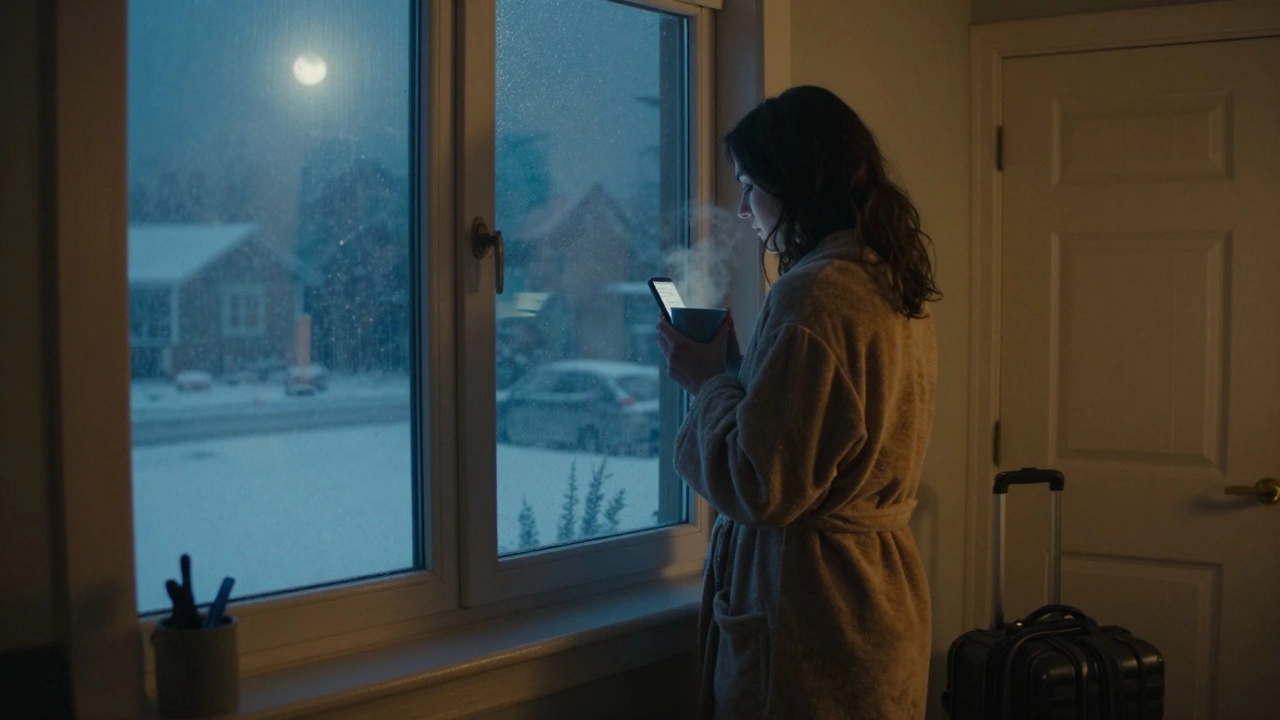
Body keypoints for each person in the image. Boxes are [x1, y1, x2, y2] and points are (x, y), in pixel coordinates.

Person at [655, 85, 941, 720]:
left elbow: (762, 483)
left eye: (750, 185)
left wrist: (705, 382)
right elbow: (822, 431)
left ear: (796, 185)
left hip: (813, 613)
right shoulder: (887, 279)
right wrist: (738, 368)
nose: (743, 207)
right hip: (876, 601)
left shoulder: (813, 294)